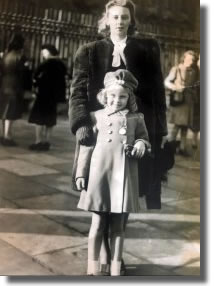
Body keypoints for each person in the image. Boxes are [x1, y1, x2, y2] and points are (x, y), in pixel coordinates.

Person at [69, 0, 167, 274]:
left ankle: (114, 258)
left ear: (130, 20)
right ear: (107, 20)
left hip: (135, 131)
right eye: (115, 17)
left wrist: (156, 132)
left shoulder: (146, 50)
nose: (120, 21)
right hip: (98, 133)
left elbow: (157, 94)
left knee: (126, 196)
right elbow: (77, 91)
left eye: (125, 17)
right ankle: (108, 260)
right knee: (101, 201)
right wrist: (81, 123)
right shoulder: (89, 51)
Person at [75, 69, 150, 276]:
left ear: (130, 97)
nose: (117, 100)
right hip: (99, 176)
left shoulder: (136, 118)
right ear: (105, 95)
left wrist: (141, 144)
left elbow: (144, 139)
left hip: (123, 176)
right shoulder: (95, 116)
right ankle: (92, 268)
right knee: (97, 223)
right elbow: (87, 147)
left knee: (119, 227)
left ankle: (116, 268)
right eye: (112, 95)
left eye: (123, 96)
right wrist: (81, 173)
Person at [28, 44, 67, 151]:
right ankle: (47, 141)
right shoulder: (61, 65)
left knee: (39, 119)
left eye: (43, 52)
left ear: (48, 52)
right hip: (53, 97)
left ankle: (38, 141)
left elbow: (35, 77)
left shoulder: (45, 64)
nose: (42, 54)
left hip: (43, 94)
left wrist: (36, 85)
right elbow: (63, 81)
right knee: (50, 119)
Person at [164, 50, 199, 156]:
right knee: (176, 126)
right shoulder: (176, 69)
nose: (191, 61)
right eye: (188, 59)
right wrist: (175, 87)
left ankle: (182, 148)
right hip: (179, 101)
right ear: (184, 58)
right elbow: (166, 82)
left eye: (193, 60)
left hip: (189, 102)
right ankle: (169, 147)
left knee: (185, 126)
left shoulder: (194, 71)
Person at [0, 33, 29, 146]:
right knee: (10, 112)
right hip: (15, 85)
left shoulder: (5, 55)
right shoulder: (20, 56)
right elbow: (23, 74)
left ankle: (4, 134)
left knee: (4, 111)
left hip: (4, 85)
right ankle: (8, 136)